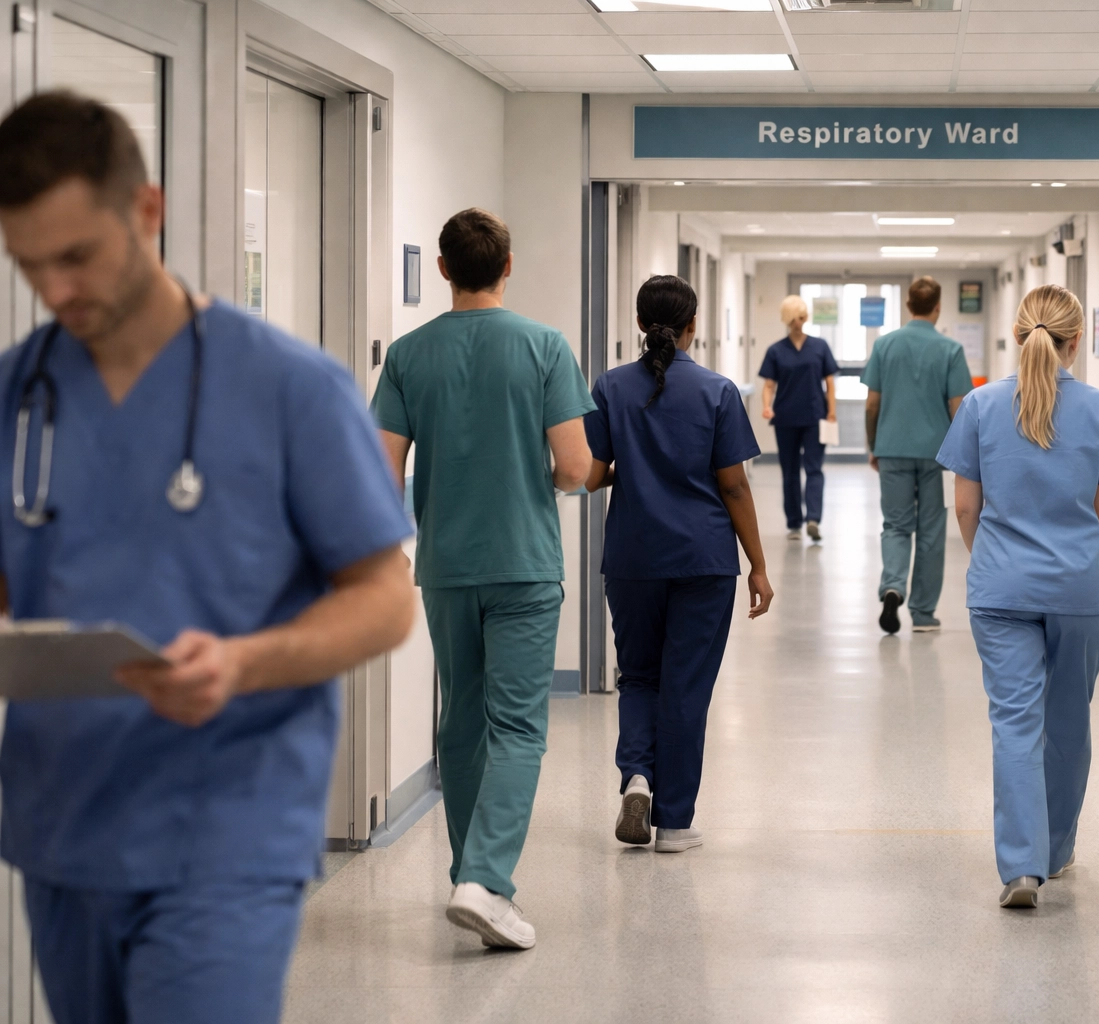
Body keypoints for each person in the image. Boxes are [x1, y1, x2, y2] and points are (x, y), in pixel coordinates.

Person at [0, 92, 416, 1024]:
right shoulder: (17, 395)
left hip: (227, 822)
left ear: (146, 211)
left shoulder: (290, 387)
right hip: (63, 824)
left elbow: (385, 597)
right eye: (29, 265)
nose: (56, 291)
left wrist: (242, 664)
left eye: (77, 256)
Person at [371, 208, 595, 950]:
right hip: (523, 564)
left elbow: (381, 473)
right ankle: (486, 881)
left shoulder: (407, 355)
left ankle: (471, 876)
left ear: (443, 269)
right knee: (519, 725)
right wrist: (543, 476)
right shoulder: (544, 346)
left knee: (461, 722)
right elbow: (574, 467)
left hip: (446, 566)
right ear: (508, 266)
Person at [936, 284, 1099, 910]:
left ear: (1018, 336)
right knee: (1069, 722)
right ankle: (1054, 851)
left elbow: (965, 507)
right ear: (1076, 343)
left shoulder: (979, 405)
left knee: (1015, 723)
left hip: (1002, 588)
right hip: (1079, 587)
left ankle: (1021, 867)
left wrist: (995, 559)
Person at [584, 275, 774, 854]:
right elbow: (734, 486)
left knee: (638, 677)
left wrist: (633, 467)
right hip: (703, 559)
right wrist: (758, 566)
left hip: (633, 557)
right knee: (686, 688)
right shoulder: (718, 391)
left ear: (641, 324)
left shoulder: (610, 387)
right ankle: (673, 824)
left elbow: (590, 477)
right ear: (693, 326)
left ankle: (637, 777)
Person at [863, 276, 973, 634]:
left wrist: (874, 445)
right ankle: (923, 612)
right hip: (937, 455)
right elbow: (959, 408)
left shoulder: (884, 345)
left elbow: (872, 404)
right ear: (938, 307)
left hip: (892, 449)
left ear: (908, 306)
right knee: (931, 529)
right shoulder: (951, 350)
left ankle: (893, 586)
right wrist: (963, 457)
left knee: (895, 525)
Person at [759, 294, 838, 541]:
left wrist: (832, 411)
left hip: (815, 417)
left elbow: (830, 383)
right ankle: (794, 523)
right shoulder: (776, 350)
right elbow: (769, 385)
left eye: (802, 318)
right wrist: (766, 406)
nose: (798, 323)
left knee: (814, 469)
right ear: (787, 319)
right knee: (790, 471)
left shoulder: (820, 346)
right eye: (794, 318)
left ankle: (813, 519)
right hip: (785, 418)